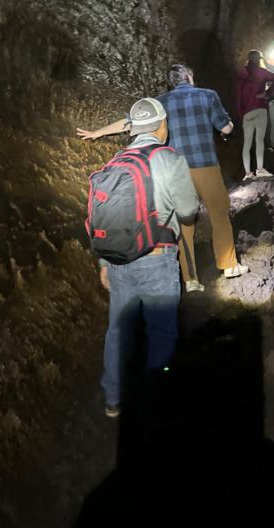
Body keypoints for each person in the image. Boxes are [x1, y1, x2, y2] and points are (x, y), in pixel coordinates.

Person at [77, 64, 248, 293]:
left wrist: (97, 132)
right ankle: (228, 266)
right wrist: (229, 125)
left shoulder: (161, 102)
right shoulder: (208, 95)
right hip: (206, 165)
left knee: (183, 223)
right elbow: (225, 129)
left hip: (175, 168)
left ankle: (191, 280)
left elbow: (130, 122)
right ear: (191, 77)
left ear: (171, 82)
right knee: (219, 214)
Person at [94, 97, 199, 418]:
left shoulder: (113, 162)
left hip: (118, 261)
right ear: (162, 125)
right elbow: (188, 210)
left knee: (118, 330)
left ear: (133, 128)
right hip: (158, 258)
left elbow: (102, 216)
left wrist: (103, 264)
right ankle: (158, 401)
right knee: (162, 331)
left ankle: (113, 398)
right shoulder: (168, 158)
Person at [235, 50, 274, 181]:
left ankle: (247, 173)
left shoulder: (241, 73)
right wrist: (267, 93)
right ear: (259, 59)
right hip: (260, 108)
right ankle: (260, 170)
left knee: (247, 143)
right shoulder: (261, 71)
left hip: (247, 112)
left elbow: (238, 97)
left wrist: (241, 114)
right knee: (259, 140)